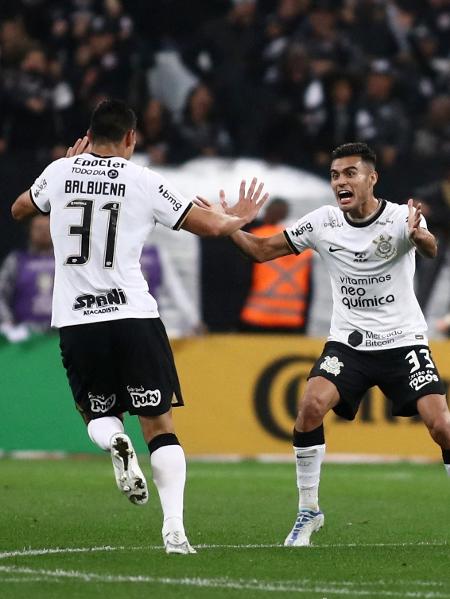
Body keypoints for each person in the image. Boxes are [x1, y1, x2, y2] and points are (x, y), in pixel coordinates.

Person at [11, 98, 267, 554]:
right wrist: (238, 219)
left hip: (78, 319)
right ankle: (175, 531)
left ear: (88, 136)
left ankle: (114, 442)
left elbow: (18, 211)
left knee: (96, 414)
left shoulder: (58, 172)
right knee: (159, 424)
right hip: (134, 315)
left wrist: (63, 173)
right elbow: (207, 226)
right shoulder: (143, 180)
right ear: (131, 138)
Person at [217, 141, 450, 546]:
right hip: (349, 344)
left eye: (350, 173)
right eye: (335, 175)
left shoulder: (399, 217)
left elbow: (430, 249)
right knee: (309, 408)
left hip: (403, 342)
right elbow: (259, 251)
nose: (340, 181)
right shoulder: (323, 221)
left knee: (442, 426)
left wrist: (418, 235)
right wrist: (229, 226)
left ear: (371, 178)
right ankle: (308, 512)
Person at [239, 197, 313, 334]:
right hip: (292, 320)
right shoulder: (303, 246)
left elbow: (243, 280)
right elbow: (310, 289)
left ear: (269, 213)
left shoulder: (258, 238)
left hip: (257, 318)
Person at [0, 214, 54, 343]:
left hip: (60, 333)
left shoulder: (66, 261)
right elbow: (1, 294)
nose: (43, 232)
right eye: (38, 228)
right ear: (30, 231)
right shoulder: (16, 261)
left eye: (48, 228)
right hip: (25, 336)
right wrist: (8, 323)